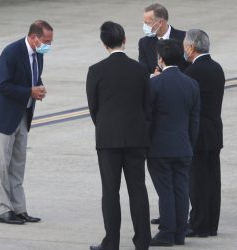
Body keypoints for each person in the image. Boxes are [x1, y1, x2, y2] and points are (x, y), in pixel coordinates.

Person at [86, 21, 151, 250]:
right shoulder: (141, 69)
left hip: (108, 138)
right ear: (125, 40)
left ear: (104, 44)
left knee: (110, 191)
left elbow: (94, 108)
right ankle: (143, 241)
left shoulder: (96, 70)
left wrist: (106, 126)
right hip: (136, 137)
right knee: (138, 189)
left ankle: (111, 242)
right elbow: (147, 105)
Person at [0, 20, 53, 225]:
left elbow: (33, 77)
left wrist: (38, 88)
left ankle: (19, 209)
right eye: (46, 41)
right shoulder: (11, 53)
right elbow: (2, 86)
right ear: (33, 37)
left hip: (23, 113)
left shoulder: (38, 54)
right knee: (2, 166)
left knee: (18, 164)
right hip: (4, 117)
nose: (48, 45)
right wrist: (29, 91)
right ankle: (4, 210)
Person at [147, 39, 200, 246]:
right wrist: (189, 143)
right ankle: (179, 232)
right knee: (181, 188)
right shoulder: (191, 84)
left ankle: (167, 232)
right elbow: (194, 120)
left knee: (165, 191)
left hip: (159, 147)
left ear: (161, 59)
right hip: (184, 145)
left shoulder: (154, 83)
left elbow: (148, 118)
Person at [183, 29, 225, 237]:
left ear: (191, 47)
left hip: (198, 134)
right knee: (212, 179)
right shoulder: (217, 68)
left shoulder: (192, 72)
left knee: (197, 180)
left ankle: (199, 224)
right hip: (214, 132)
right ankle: (211, 224)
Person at [138, 3, 188, 77]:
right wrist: (152, 76)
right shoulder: (144, 43)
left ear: (160, 22)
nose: (145, 26)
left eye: (147, 23)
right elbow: (143, 71)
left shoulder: (184, 38)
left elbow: (191, 66)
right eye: (144, 23)